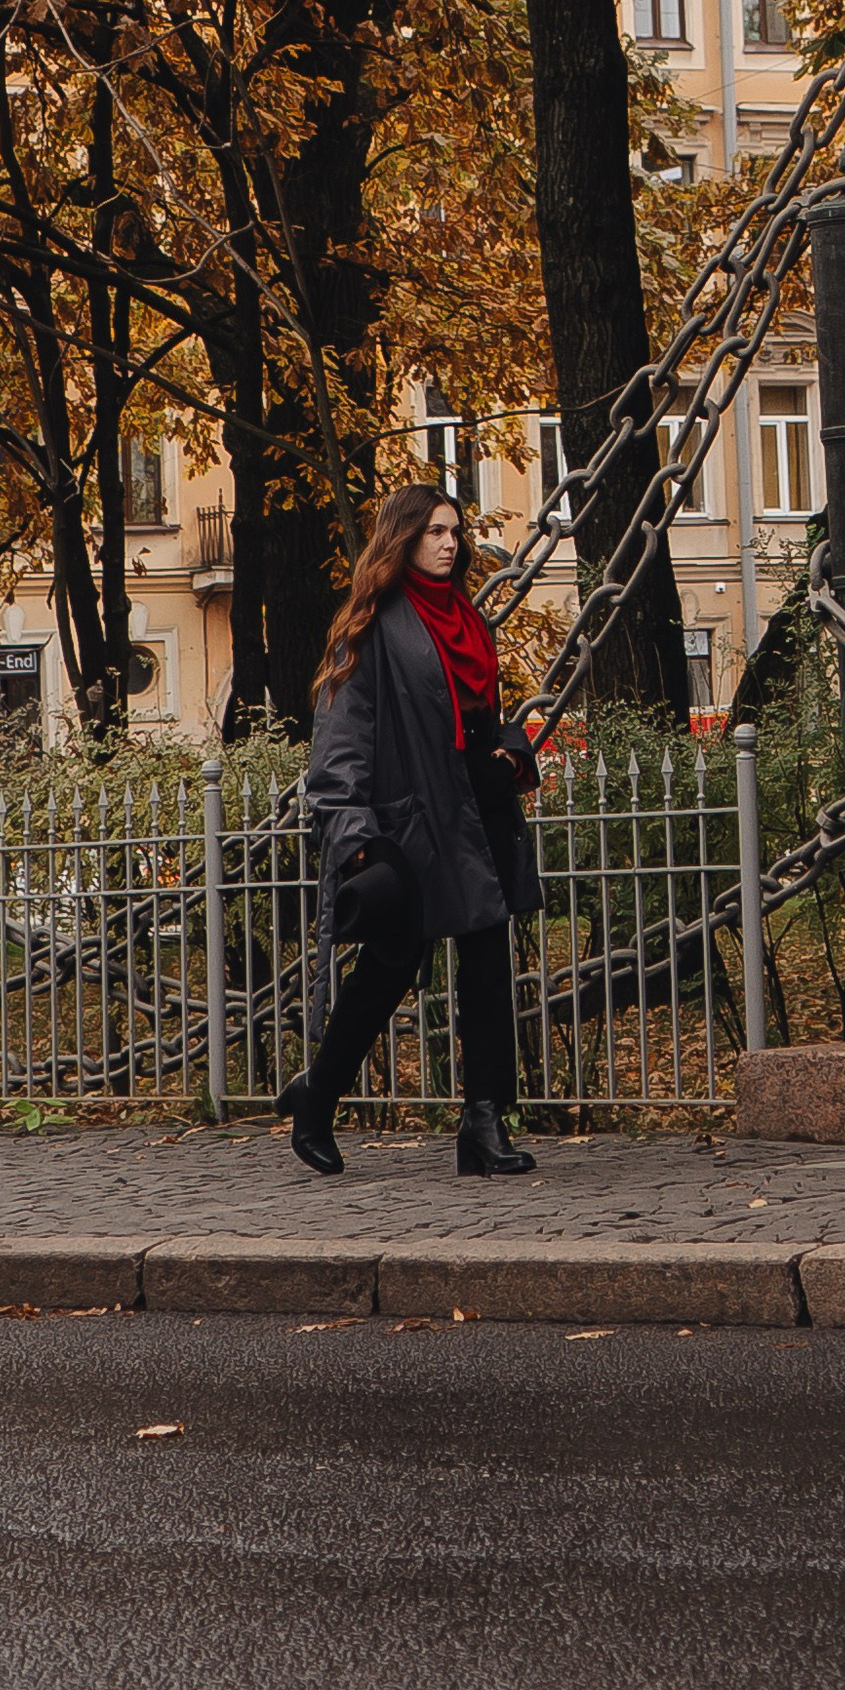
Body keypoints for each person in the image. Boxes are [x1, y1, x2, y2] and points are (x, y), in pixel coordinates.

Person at [284, 482, 543, 1178]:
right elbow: (338, 748)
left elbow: (482, 715)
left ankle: (483, 1124)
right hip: (414, 823)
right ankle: (317, 1096)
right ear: (401, 539)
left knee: (489, 971)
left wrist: (511, 749)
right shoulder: (371, 626)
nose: (449, 543)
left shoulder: (466, 616)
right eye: (433, 531)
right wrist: (355, 836)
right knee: (386, 973)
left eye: (455, 530)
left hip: (478, 810)